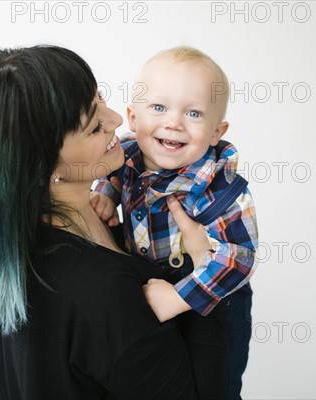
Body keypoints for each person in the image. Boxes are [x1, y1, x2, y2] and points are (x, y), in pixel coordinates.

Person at [0, 45, 216, 399]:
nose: (117, 118)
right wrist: (206, 270)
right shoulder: (103, 292)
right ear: (42, 167)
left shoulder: (20, 247)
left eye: (99, 98)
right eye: (93, 126)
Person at [91, 46, 259, 399]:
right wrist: (106, 193)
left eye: (194, 113)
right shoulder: (129, 153)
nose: (174, 122)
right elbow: (115, 171)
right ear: (133, 118)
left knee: (211, 386)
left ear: (216, 132)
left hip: (211, 296)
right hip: (150, 286)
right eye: (159, 107)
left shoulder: (218, 184)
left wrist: (178, 299)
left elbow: (239, 258)